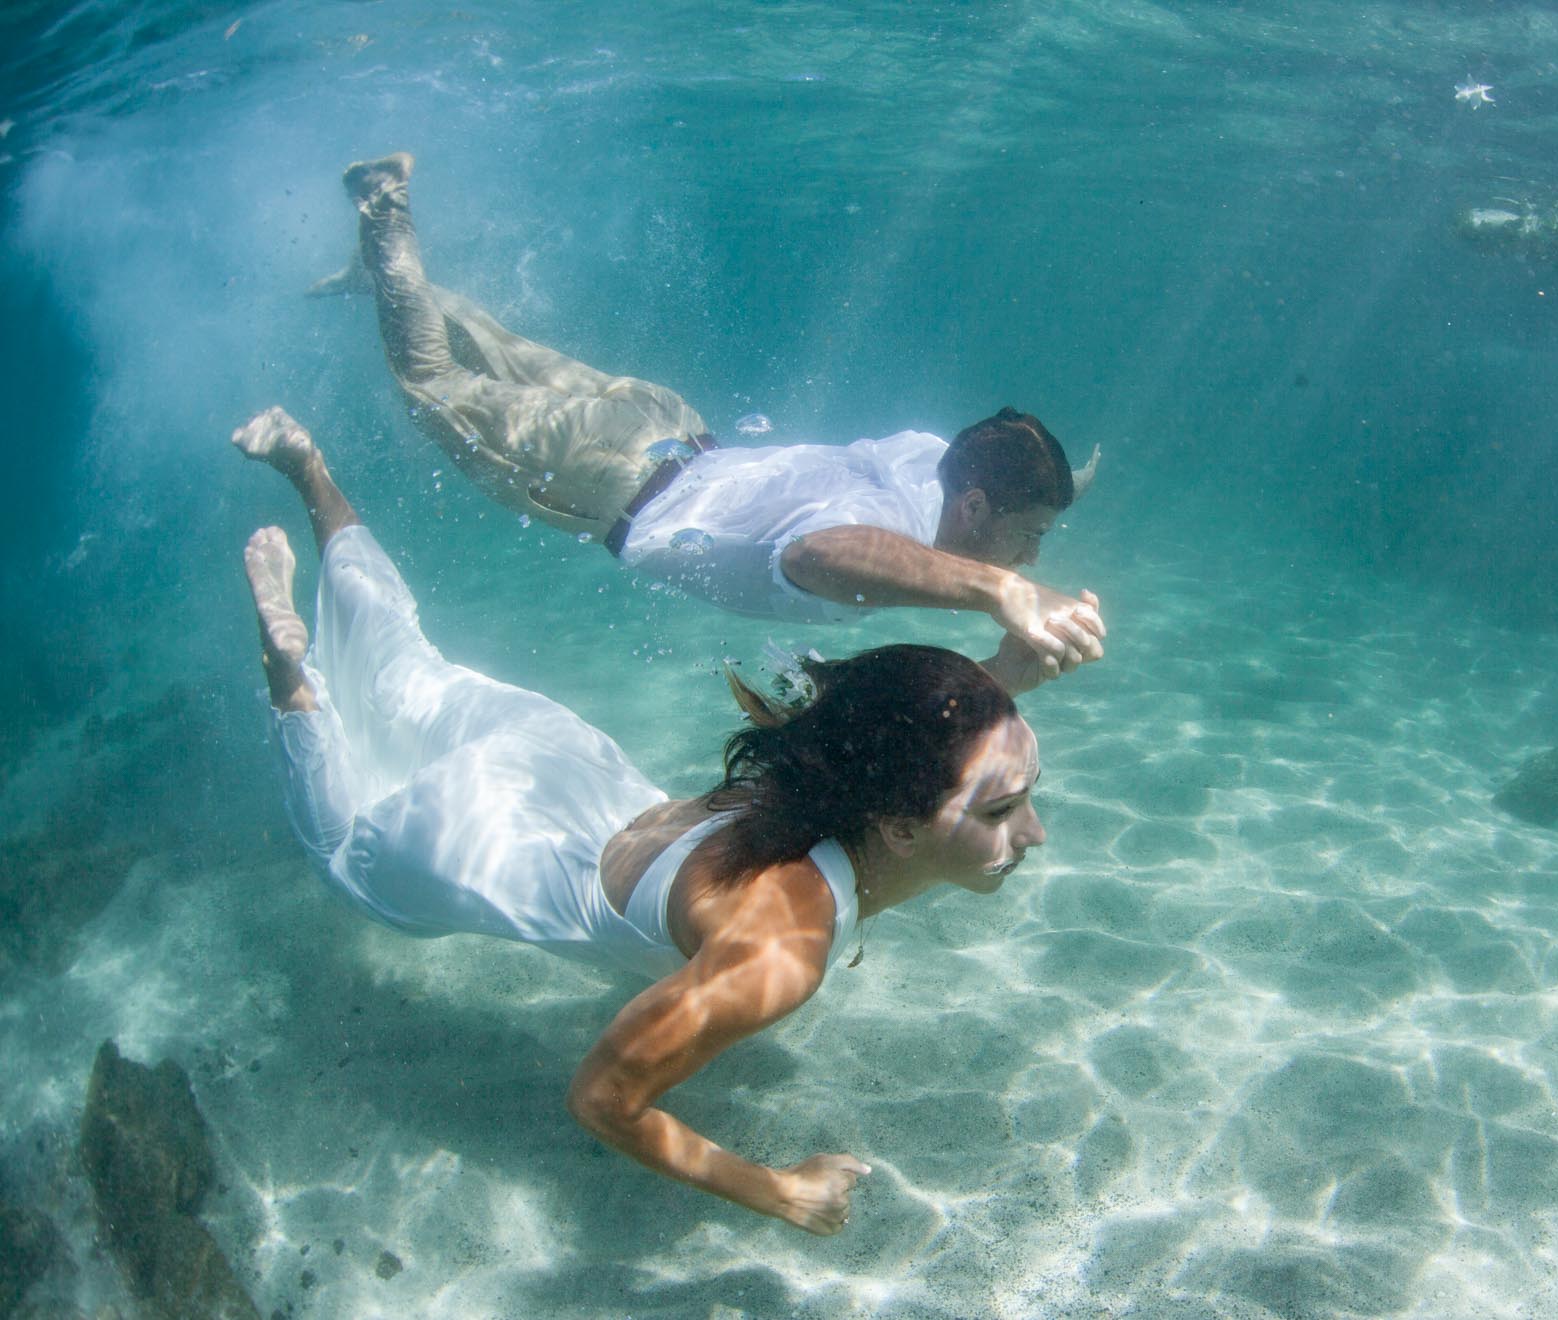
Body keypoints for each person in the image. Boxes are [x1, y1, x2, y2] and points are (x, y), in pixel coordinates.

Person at [233, 404, 1048, 1234]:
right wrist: (781, 1190)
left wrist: (1001, 680)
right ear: (900, 825)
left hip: (553, 760)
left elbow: (898, 733)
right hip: (497, 843)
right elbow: (601, 1097)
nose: (1034, 833)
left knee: (406, 666)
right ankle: (287, 672)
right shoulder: (781, 953)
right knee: (342, 854)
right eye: (1008, 808)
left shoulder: (835, 767)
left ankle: (310, 469)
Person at [323, 153, 1105, 685]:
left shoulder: (939, 461)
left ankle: (391, 281)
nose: (1032, 558)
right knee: (432, 381)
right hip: (610, 479)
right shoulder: (885, 534)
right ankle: (384, 209)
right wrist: (994, 589)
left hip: (663, 428)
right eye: (1029, 536)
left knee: (498, 345)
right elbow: (825, 550)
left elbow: (1004, 462)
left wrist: (1054, 489)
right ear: (972, 508)